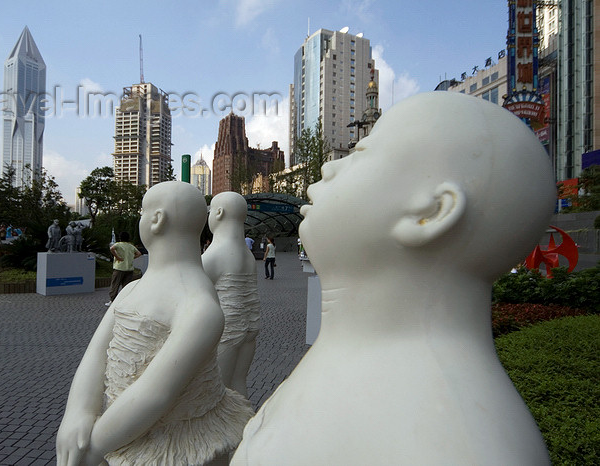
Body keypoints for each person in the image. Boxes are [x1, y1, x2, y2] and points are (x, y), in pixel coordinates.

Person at [232, 92, 554, 465]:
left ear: (430, 212)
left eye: (362, 152)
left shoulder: (455, 443)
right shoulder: (384, 375)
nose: (329, 168)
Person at [56, 182, 253, 466]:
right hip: (119, 432)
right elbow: (96, 355)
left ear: (157, 219)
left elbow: (156, 394)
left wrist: (94, 446)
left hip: (178, 449)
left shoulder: (198, 306)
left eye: (142, 211)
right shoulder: (132, 290)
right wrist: (78, 411)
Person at [202, 191, 261, 397]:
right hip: (250, 327)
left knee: (218, 389)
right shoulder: (248, 255)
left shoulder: (214, 254)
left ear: (218, 213)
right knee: (238, 382)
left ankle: (225, 428)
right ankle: (243, 422)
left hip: (225, 332)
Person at [106, 231, 141, 306]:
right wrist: (132, 258)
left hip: (119, 268)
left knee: (115, 285)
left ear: (120, 238)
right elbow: (139, 253)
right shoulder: (131, 246)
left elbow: (111, 248)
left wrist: (117, 257)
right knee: (126, 286)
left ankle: (112, 301)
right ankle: (125, 301)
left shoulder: (118, 244)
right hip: (129, 269)